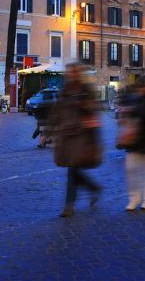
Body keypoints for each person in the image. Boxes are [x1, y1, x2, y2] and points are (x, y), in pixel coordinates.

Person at [50, 63, 103, 217]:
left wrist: (82, 103)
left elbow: (94, 110)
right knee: (74, 170)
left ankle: (69, 206)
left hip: (82, 135)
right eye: (69, 72)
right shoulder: (66, 90)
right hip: (67, 135)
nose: (70, 74)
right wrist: (49, 130)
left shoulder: (86, 90)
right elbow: (57, 110)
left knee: (72, 170)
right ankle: (94, 188)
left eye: (73, 72)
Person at [120, 77, 145, 211]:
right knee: (131, 169)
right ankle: (134, 198)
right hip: (134, 139)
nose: (140, 91)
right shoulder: (135, 99)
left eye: (141, 88)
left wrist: (134, 114)